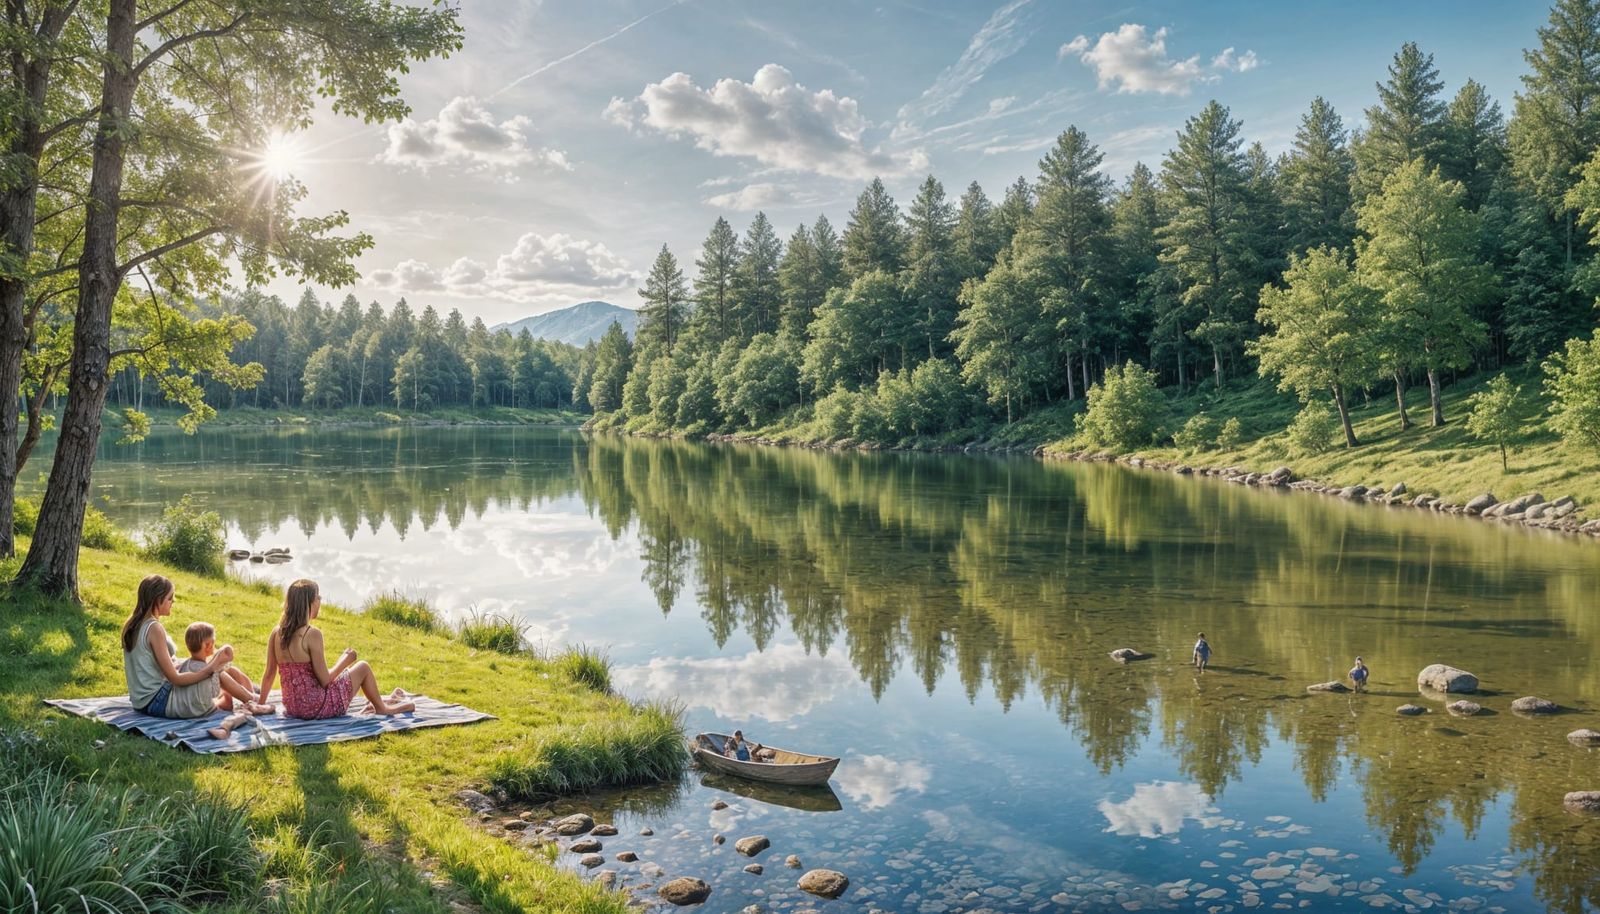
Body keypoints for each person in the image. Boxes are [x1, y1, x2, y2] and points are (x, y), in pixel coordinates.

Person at [257, 579, 415, 719]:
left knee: (347, 677)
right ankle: (382, 708)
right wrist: (345, 660)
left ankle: (378, 703)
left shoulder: (277, 633)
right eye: (317, 597)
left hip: (292, 708)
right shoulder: (312, 634)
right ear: (309, 603)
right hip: (316, 707)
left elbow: (269, 673)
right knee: (363, 667)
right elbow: (325, 680)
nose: (320, 600)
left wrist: (260, 704)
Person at [121, 574, 269, 720]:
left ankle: (245, 696)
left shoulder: (132, 624)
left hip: (141, 702)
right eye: (169, 598)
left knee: (222, 668)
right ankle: (253, 700)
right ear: (156, 600)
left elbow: (150, 667)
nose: (173, 601)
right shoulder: (154, 628)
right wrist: (209, 669)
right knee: (212, 667)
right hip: (158, 701)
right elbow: (175, 679)